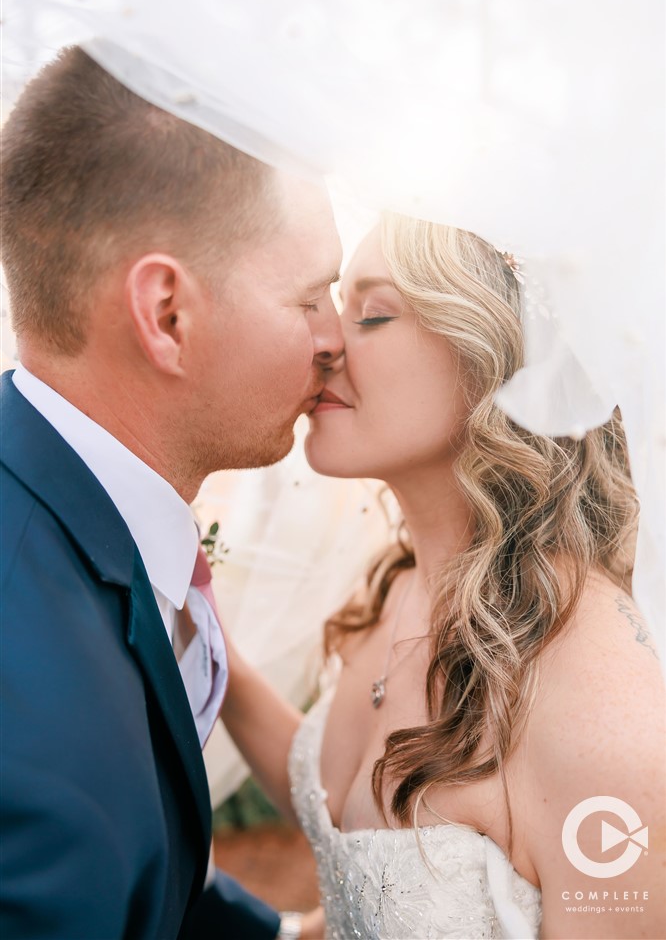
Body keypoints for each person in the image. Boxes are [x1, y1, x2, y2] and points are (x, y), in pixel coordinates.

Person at [221, 216, 665, 939]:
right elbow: (343, 826)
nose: (326, 341)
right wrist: (197, 626)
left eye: (371, 313)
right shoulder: (402, 587)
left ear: (493, 357)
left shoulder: (604, 717)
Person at [0, 46, 342, 939]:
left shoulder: (70, 512)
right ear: (168, 316)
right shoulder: (37, 728)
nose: (337, 339)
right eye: (312, 298)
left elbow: (141, 862)